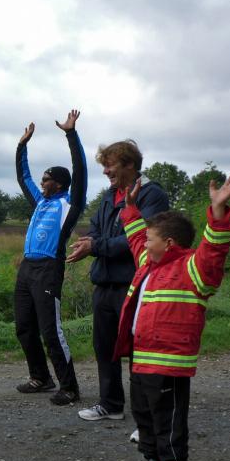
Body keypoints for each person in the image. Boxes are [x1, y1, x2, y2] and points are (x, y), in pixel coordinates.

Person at [113, 174, 230, 461]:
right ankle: (153, 460)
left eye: (151, 239)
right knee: (143, 412)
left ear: (168, 243)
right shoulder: (148, 263)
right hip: (141, 357)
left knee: (167, 419)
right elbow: (136, 237)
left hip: (168, 362)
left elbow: (214, 250)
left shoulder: (194, 269)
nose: (145, 243)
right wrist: (129, 209)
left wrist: (218, 212)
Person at [67, 140, 169, 421]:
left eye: (110, 165)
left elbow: (142, 238)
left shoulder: (152, 194)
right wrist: (90, 242)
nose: (105, 172)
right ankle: (110, 404)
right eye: (104, 166)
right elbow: (96, 229)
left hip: (134, 285)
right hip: (104, 283)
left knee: (139, 350)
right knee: (105, 347)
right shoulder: (109, 195)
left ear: (130, 165)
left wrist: (96, 246)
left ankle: (145, 417)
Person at [13, 109, 87, 405]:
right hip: (27, 268)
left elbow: (80, 171)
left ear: (59, 183)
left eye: (47, 179)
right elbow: (24, 177)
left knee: (50, 330)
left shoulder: (70, 204)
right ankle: (40, 377)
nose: (41, 182)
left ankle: (70, 387)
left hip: (48, 269)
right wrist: (22, 146)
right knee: (24, 327)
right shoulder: (39, 201)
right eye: (42, 179)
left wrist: (71, 134)